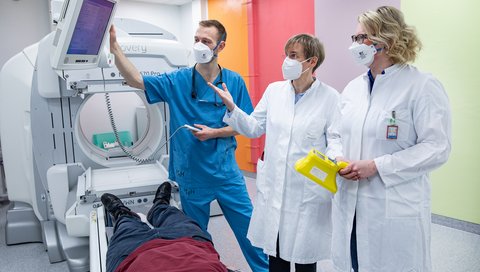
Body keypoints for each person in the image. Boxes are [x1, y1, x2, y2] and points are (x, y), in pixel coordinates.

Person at [109, 20, 268, 272]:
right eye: (196, 39)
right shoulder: (178, 80)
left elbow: (246, 125)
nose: (199, 45)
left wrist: (215, 132)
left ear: (221, 46)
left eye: (206, 41)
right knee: (195, 239)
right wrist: (116, 49)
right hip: (191, 176)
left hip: (227, 174)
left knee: (253, 235)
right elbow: (137, 79)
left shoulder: (234, 82)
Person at [332, 6, 452, 272]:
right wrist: (337, 157)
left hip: (393, 207)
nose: (356, 45)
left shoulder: (421, 86)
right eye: (354, 38)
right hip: (350, 205)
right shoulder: (353, 89)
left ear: (387, 39)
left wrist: (377, 166)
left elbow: (437, 147)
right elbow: (335, 134)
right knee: (355, 263)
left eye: (363, 38)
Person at [209, 34, 342, 272]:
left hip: (307, 191)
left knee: (304, 257)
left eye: (293, 56)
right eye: (286, 55)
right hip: (275, 188)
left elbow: (335, 138)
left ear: (311, 62)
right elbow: (253, 128)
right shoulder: (274, 91)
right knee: (276, 255)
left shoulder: (330, 97)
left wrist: (336, 161)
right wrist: (232, 107)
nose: (286, 61)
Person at [102, 182, 230, 272]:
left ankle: (122, 214)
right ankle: (160, 206)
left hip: (133, 254)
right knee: (177, 218)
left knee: (125, 227)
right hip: (190, 244)